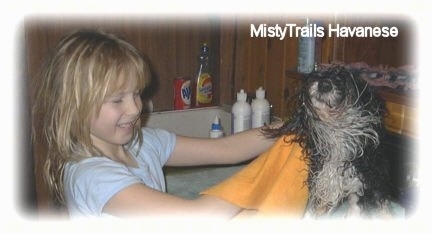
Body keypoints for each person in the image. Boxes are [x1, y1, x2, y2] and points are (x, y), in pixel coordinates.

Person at [31, 29, 280, 219]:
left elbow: (227, 149)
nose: (135, 108)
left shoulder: (144, 143)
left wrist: (289, 131)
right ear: (75, 107)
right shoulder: (92, 176)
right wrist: (267, 174)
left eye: (136, 93)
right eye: (118, 99)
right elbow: (198, 219)